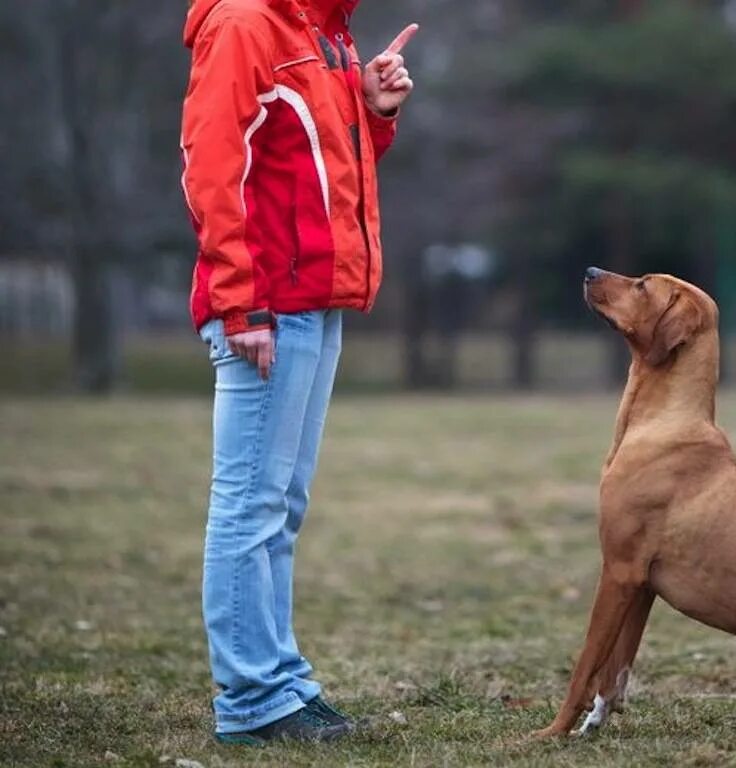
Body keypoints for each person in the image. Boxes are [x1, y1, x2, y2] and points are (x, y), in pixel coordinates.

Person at [180, 0, 416, 745]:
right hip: (268, 307)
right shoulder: (248, 24)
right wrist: (239, 303)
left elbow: (318, 176)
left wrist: (373, 113)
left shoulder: (323, 33)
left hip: (314, 302)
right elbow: (212, 163)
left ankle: (279, 682)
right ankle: (252, 700)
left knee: (279, 505)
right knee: (250, 507)